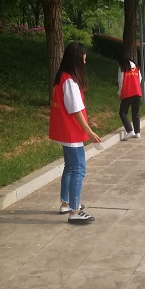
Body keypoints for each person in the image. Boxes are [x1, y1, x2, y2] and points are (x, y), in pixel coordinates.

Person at [49, 41, 101, 224]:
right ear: (76, 61)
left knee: (70, 167)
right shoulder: (70, 81)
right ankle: (74, 210)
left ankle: (66, 203)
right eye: (83, 60)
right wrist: (90, 132)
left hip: (65, 131)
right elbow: (76, 110)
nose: (84, 63)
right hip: (72, 132)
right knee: (79, 168)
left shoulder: (62, 77)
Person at [117, 52, 142, 140]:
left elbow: (121, 81)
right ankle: (137, 132)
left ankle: (130, 131)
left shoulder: (122, 68)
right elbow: (140, 79)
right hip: (137, 92)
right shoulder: (136, 67)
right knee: (136, 113)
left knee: (122, 113)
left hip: (128, 93)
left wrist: (120, 93)